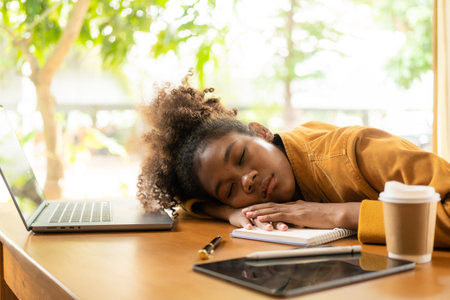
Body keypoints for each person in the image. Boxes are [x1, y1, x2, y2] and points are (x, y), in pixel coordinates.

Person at [137, 74, 450, 248]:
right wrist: (231, 212)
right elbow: (187, 201)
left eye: (242, 157)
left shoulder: (356, 150)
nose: (246, 180)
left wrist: (337, 214)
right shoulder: (244, 198)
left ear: (260, 132)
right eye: (229, 189)